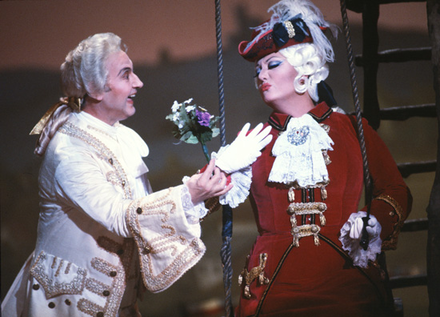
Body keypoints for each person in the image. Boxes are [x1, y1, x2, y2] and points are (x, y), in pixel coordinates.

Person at [1, 32, 271, 317]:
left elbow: (144, 212)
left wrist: (219, 171)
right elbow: (121, 217)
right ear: (95, 88)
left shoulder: (117, 137)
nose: (138, 82)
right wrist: (192, 192)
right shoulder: (70, 150)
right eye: (125, 74)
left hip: (117, 304)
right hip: (66, 306)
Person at [235, 1, 412, 316]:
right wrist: (222, 165)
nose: (261, 75)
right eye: (257, 69)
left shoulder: (351, 129)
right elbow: (208, 197)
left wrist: (372, 222)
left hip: (347, 277)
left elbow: (395, 190)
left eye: (271, 64)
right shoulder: (252, 142)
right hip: (273, 287)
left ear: (304, 68)